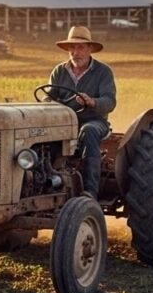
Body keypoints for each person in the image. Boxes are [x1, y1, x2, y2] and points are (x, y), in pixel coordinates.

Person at [47, 26, 116, 199]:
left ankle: (90, 191)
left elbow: (109, 101)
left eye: (80, 47)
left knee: (88, 131)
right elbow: (48, 98)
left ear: (90, 49)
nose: (75, 52)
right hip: (64, 123)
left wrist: (92, 102)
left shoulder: (103, 72)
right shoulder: (59, 71)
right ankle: (48, 182)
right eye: (72, 48)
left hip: (94, 121)